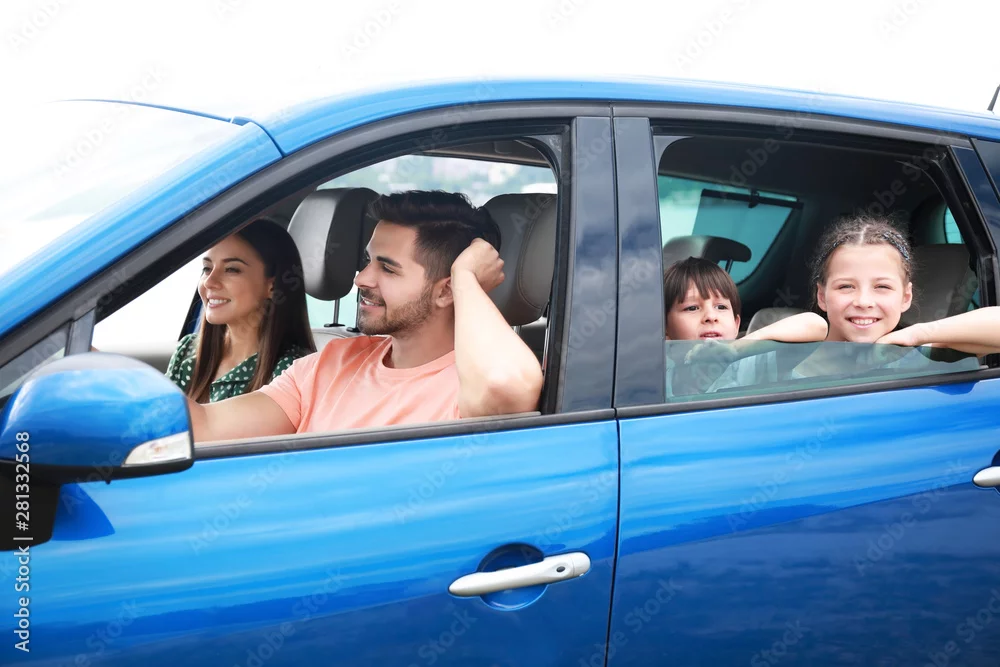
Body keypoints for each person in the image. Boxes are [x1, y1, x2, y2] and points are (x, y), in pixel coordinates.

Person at [186, 190, 544, 442]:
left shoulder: (472, 385)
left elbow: (504, 385)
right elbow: (205, 427)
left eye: (387, 268)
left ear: (446, 291)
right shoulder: (331, 363)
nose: (361, 279)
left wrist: (466, 278)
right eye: (366, 261)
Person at [792, 214, 1000, 377]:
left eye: (882, 286)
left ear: (905, 297)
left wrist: (917, 334)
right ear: (822, 296)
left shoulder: (908, 358)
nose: (863, 302)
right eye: (846, 286)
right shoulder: (785, 359)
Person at [166, 219, 316, 403]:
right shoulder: (187, 351)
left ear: (272, 285)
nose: (209, 282)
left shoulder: (292, 370)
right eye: (207, 268)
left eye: (231, 269)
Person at [663, 257, 828, 395]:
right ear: (664, 329)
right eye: (692, 308)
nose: (711, 317)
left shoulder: (751, 366)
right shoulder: (660, 379)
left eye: (721, 307)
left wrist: (734, 351)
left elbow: (816, 325)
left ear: (736, 324)